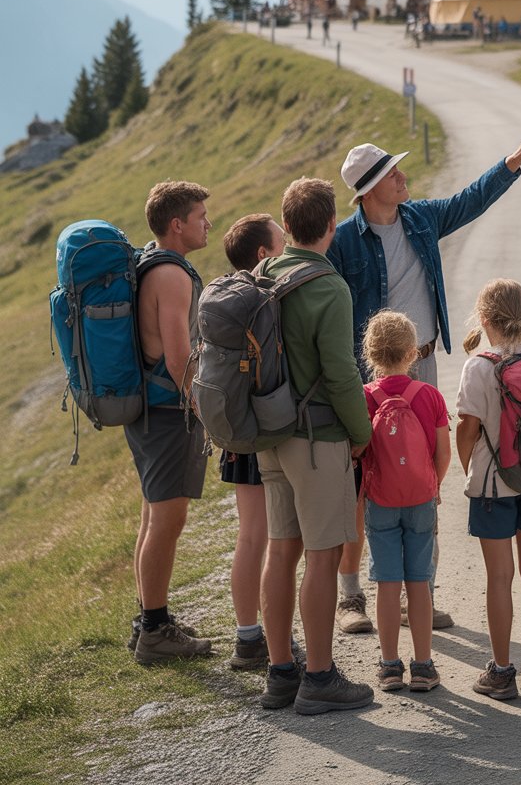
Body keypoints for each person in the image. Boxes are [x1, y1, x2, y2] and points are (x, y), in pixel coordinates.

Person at [327, 127, 521, 633]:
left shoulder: (420, 218)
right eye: (392, 173)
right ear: (369, 190)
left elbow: (470, 200)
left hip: (423, 365)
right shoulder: (343, 241)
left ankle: (420, 594)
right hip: (370, 374)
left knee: (424, 476)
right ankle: (351, 597)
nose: (402, 176)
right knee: (362, 482)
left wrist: (517, 158)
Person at [256, 177, 374, 715]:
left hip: (270, 433)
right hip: (317, 438)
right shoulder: (329, 287)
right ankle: (321, 678)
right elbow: (342, 374)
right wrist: (361, 433)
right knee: (323, 557)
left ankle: (281, 672)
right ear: (331, 226)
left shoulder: (262, 274)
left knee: (281, 550)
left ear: (285, 226)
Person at [127, 181, 214, 665]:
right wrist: (209, 414)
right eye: (201, 217)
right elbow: (181, 361)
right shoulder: (173, 275)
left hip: (147, 409)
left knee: (152, 516)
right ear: (177, 224)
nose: (208, 224)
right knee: (168, 519)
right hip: (166, 413)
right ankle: (155, 631)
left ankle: (148, 620)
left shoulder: (149, 263)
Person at [456, 279, 521, 700]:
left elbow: (467, 429)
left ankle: (501, 672)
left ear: (483, 318)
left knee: (499, 577)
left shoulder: (479, 367)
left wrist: (468, 470)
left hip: (494, 487)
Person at [220, 213, 302, 671]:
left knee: (249, 535)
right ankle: (274, 641)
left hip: (235, 427)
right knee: (272, 538)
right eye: (281, 241)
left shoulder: (226, 297)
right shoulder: (264, 297)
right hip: (262, 425)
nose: (287, 246)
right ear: (262, 254)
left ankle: (247, 637)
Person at [361, 311, 451, 692]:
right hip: (420, 499)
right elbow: (443, 453)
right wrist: (433, 485)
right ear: (413, 353)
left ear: (370, 354)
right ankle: (423, 666)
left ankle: (389, 666)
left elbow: (358, 449)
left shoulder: (366, 397)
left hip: (381, 500)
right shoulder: (429, 396)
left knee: (387, 583)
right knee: (419, 581)